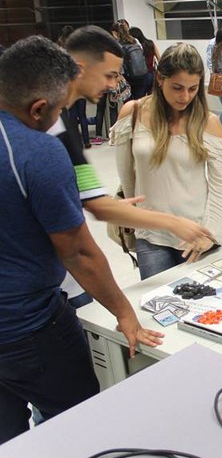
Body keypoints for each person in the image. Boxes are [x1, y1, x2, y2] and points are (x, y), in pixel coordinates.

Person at [0, 36, 164, 445]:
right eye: (55, 112)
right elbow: (78, 251)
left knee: (10, 438)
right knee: (79, 427)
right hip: (28, 328)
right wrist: (125, 313)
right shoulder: (36, 151)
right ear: (39, 108)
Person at [52, 25, 214, 306]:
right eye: (110, 75)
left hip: (59, 277)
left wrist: (171, 222)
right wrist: (123, 310)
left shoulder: (61, 121)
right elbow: (87, 225)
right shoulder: (43, 119)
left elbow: (94, 198)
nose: (114, 85)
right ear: (79, 68)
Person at [112, 43, 222, 280]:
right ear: (160, 78)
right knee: (157, 309)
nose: (185, 96)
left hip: (195, 235)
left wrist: (210, 235)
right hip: (150, 236)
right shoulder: (133, 113)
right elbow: (127, 176)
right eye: (177, 87)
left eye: (193, 88)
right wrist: (136, 219)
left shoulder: (207, 123)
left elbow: (221, 188)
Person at [111, 21, 146, 101]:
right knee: (140, 102)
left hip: (127, 77)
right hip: (141, 75)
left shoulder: (117, 45)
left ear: (115, 33)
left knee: (129, 105)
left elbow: (118, 63)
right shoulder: (135, 41)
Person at [129, 26, 161, 96]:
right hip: (152, 74)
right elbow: (159, 58)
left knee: (140, 99)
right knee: (151, 98)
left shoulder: (135, 47)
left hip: (141, 76)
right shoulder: (150, 43)